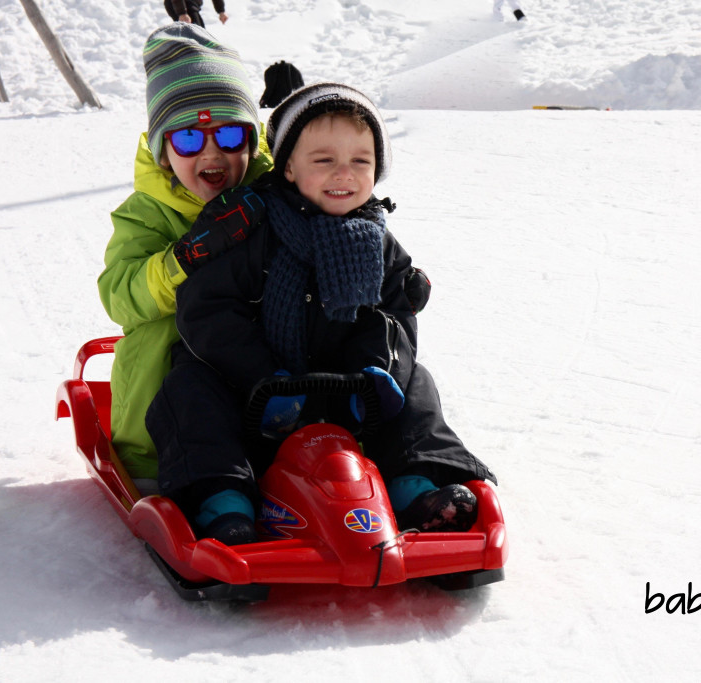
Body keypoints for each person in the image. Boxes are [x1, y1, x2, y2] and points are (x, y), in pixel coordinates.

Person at [145, 83, 497, 545]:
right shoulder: (253, 228)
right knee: (188, 387)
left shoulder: (377, 243)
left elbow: (394, 323)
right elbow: (206, 311)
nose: (343, 174)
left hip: (344, 398)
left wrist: (372, 375)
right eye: (324, 160)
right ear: (288, 167)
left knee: (417, 383)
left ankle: (416, 484)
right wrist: (263, 377)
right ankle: (223, 497)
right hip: (252, 396)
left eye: (360, 161)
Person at [98, 23, 272, 493]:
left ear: (253, 143)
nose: (212, 153)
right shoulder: (146, 214)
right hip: (171, 398)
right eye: (190, 141)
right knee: (162, 334)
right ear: (163, 154)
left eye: (231, 135)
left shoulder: (270, 195)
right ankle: (175, 468)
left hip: (256, 377)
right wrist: (184, 259)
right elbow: (120, 295)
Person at [164, 0, 228, 27]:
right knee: (196, 36)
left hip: (191, 6)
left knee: (201, 34)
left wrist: (221, 11)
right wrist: (182, 13)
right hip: (180, 5)